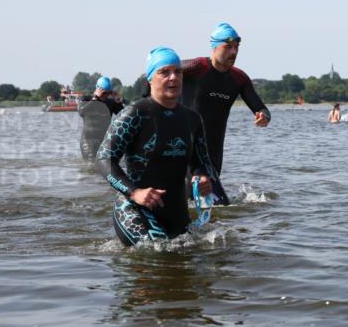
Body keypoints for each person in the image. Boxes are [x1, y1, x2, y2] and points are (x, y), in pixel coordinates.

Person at [97, 47, 228, 246]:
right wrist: (134, 193)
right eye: (164, 72)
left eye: (178, 71)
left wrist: (202, 178)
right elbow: (104, 159)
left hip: (177, 213)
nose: (173, 77)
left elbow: (202, 163)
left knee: (186, 260)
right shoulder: (134, 113)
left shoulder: (192, 119)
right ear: (150, 78)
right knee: (156, 257)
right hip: (136, 209)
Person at [181, 22, 271, 178]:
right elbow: (156, 73)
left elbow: (261, 108)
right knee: (182, 196)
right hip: (183, 145)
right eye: (228, 47)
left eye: (236, 47)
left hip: (213, 150)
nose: (233, 52)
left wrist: (264, 117)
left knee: (213, 200)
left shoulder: (239, 78)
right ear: (214, 47)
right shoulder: (196, 67)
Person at [79, 77, 124, 160]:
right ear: (97, 89)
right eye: (103, 93)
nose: (106, 95)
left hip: (103, 141)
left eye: (108, 93)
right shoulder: (86, 99)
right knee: (90, 166)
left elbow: (124, 116)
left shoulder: (111, 102)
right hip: (88, 141)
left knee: (104, 165)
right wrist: (95, 99)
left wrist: (118, 102)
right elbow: (81, 112)